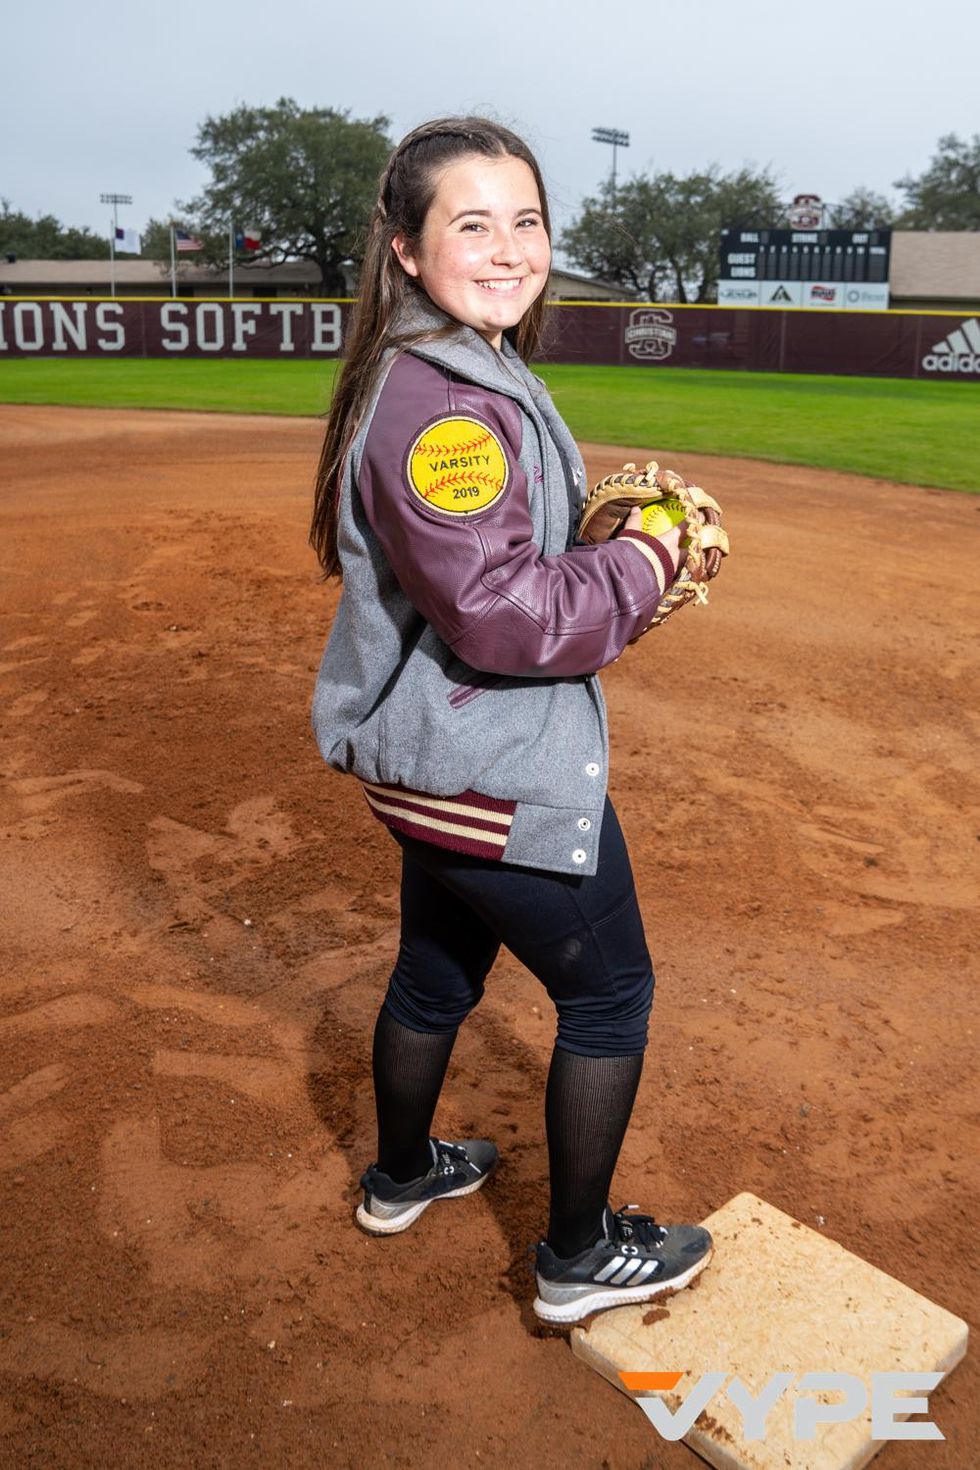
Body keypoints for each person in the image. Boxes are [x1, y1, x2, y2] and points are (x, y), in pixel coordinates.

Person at [308, 116, 712, 1326]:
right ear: (407, 252)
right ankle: (578, 1256)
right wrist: (641, 563)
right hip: (484, 761)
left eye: (524, 220)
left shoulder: (458, 363)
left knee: (434, 976)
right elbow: (496, 619)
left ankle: (398, 1177)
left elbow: (494, 570)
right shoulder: (438, 404)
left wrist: (583, 541)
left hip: (431, 769)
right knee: (610, 998)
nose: (505, 247)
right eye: (469, 223)